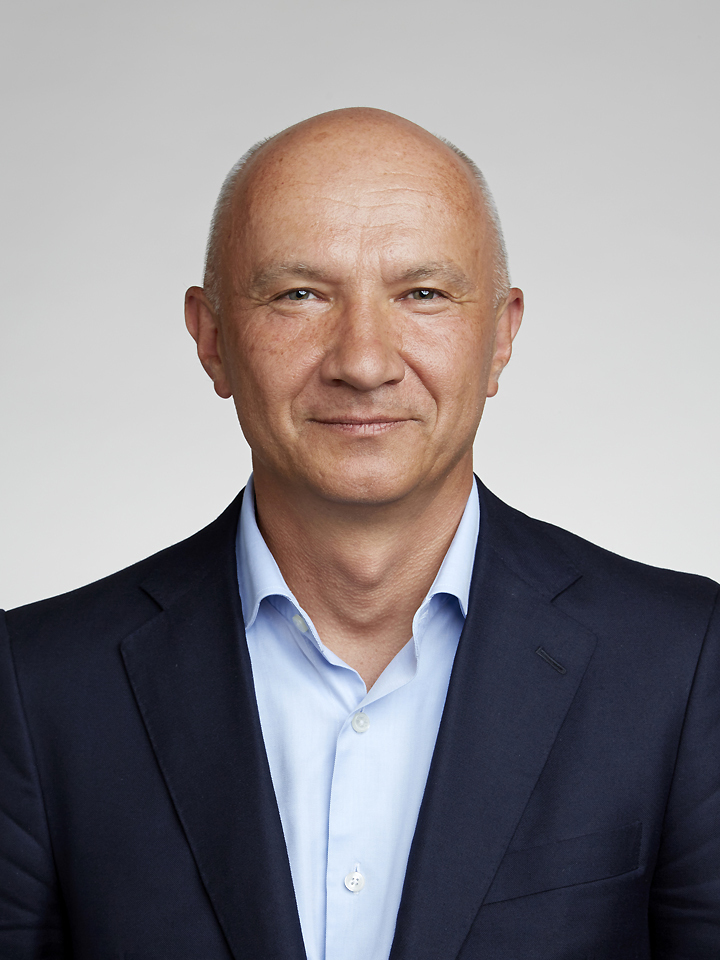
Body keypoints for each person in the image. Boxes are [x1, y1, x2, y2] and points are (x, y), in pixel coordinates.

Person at [1, 107, 718, 960]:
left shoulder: (683, 662)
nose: (364, 361)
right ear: (213, 338)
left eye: (423, 294)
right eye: (299, 294)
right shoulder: (36, 686)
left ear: (501, 336)